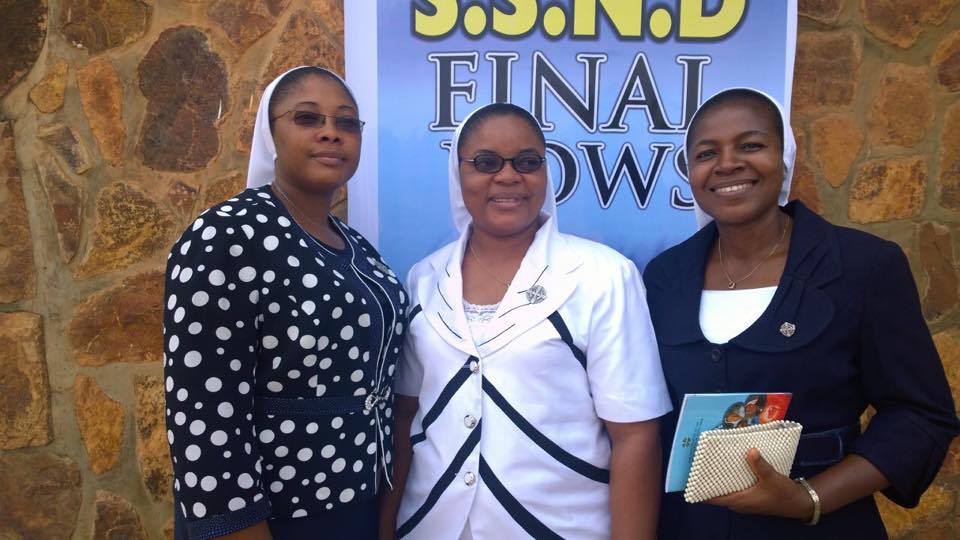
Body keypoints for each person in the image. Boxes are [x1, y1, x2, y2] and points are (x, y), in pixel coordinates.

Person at [643, 87, 960, 539]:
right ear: (691, 171)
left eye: (751, 145)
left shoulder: (862, 267)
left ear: (785, 158)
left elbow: (920, 414)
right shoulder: (663, 277)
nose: (728, 163)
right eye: (707, 153)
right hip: (688, 527)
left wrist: (809, 498)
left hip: (822, 527)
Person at [379, 103, 672, 539]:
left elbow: (635, 437)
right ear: (458, 175)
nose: (508, 176)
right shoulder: (424, 278)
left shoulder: (603, 275)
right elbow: (406, 418)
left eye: (528, 162)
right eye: (486, 162)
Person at [163, 66, 408, 539]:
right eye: (307, 118)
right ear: (271, 134)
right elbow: (204, 417)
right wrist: (237, 526)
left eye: (347, 123)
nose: (330, 134)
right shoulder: (228, 236)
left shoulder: (357, 247)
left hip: (356, 506)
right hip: (273, 519)